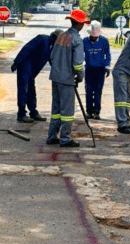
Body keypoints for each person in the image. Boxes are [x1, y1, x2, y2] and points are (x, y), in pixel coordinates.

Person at [46, 9, 90, 148]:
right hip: (66, 79)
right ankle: (65, 139)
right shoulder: (77, 39)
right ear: (80, 24)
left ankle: (52, 136)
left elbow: (52, 57)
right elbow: (78, 65)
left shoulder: (62, 36)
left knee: (56, 109)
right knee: (67, 112)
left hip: (55, 77)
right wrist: (80, 77)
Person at [10, 29, 63, 123]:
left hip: (32, 70)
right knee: (23, 89)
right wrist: (16, 62)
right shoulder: (42, 39)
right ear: (54, 37)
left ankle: (33, 112)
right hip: (24, 65)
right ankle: (21, 114)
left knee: (31, 89)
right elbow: (27, 48)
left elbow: (53, 62)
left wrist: (61, 73)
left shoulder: (52, 48)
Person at [82, 20, 111, 120]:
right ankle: (89, 111)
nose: (94, 37)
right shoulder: (84, 41)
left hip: (100, 70)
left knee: (98, 91)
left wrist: (107, 67)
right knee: (89, 91)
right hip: (89, 69)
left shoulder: (104, 41)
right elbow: (80, 55)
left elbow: (107, 55)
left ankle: (97, 112)